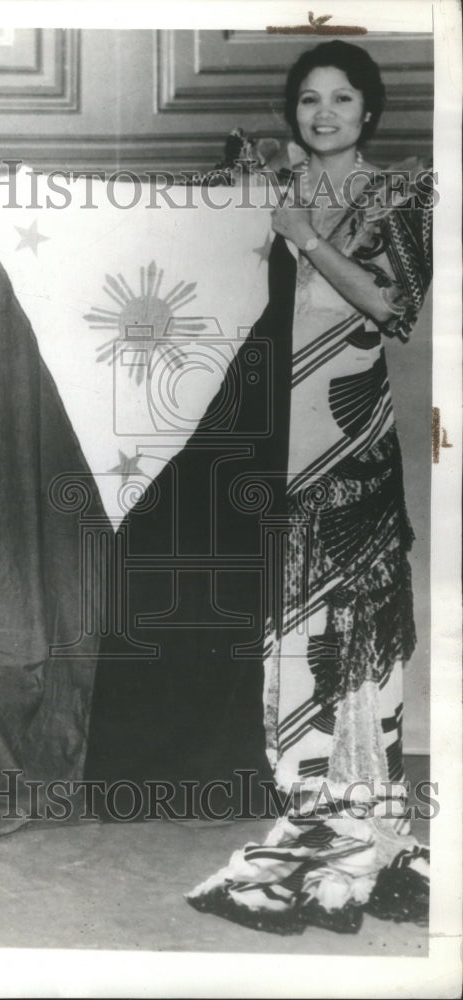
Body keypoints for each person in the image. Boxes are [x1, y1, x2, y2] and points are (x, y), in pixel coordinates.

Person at [186, 41, 433, 932]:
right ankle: (309, 816)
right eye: (307, 100)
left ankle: (369, 831)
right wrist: (260, 199)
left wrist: (306, 235)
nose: (321, 113)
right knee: (293, 631)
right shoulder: (280, 186)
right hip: (275, 444)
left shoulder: (401, 194)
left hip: (351, 441)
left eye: (340, 99)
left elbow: (391, 306)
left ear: (368, 112)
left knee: (360, 635)